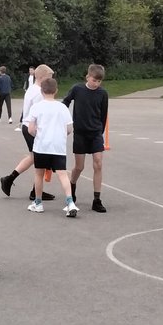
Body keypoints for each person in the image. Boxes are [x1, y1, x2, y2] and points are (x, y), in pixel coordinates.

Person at [0, 63, 53, 201]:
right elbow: (41, 114)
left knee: (34, 157)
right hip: (33, 128)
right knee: (40, 159)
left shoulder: (32, 89)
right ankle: (35, 191)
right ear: (41, 77)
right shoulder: (40, 93)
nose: (51, 80)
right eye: (49, 77)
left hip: (27, 126)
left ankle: (10, 179)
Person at [26, 76, 78, 217]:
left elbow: (31, 129)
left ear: (42, 91)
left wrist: (38, 133)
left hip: (42, 146)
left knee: (39, 173)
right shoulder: (62, 108)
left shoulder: (36, 107)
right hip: (58, 147)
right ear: (56, 91)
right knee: (62, 174)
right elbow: (69, 129)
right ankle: (70, 201)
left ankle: (38, 203)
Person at [62, 63, 109, 213]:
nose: (96, 83)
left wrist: (99, 130)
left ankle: (97, 199)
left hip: (95, 133)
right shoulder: (77, 89)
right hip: (80, 133)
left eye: (99, 81)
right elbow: (66, 102)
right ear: (87, 77)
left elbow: (103, 114)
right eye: (94, 80)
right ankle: (72, 186)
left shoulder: (103, 94)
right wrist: (64, 118)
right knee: (79, 167)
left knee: (98, 164)